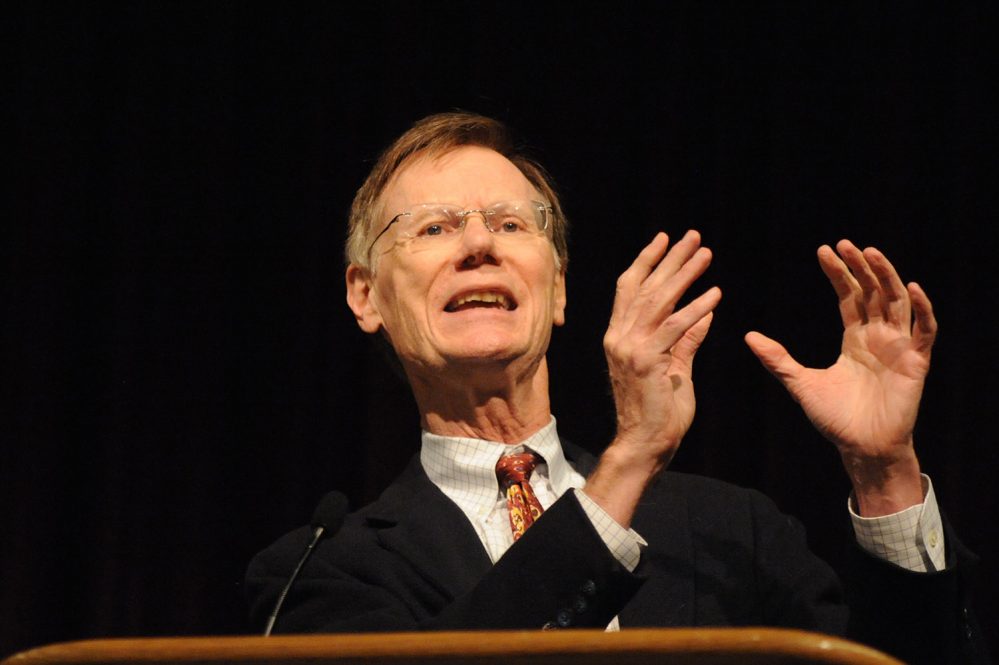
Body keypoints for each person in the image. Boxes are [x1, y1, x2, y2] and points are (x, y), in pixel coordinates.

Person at [246, 112, 986, 664]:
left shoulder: (730, 528)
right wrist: (631, 454)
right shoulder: (315, 571)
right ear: (365, 294)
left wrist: (883, 471)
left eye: (511, 222)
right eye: (432, 228)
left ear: (558, 287)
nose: (479, 245)